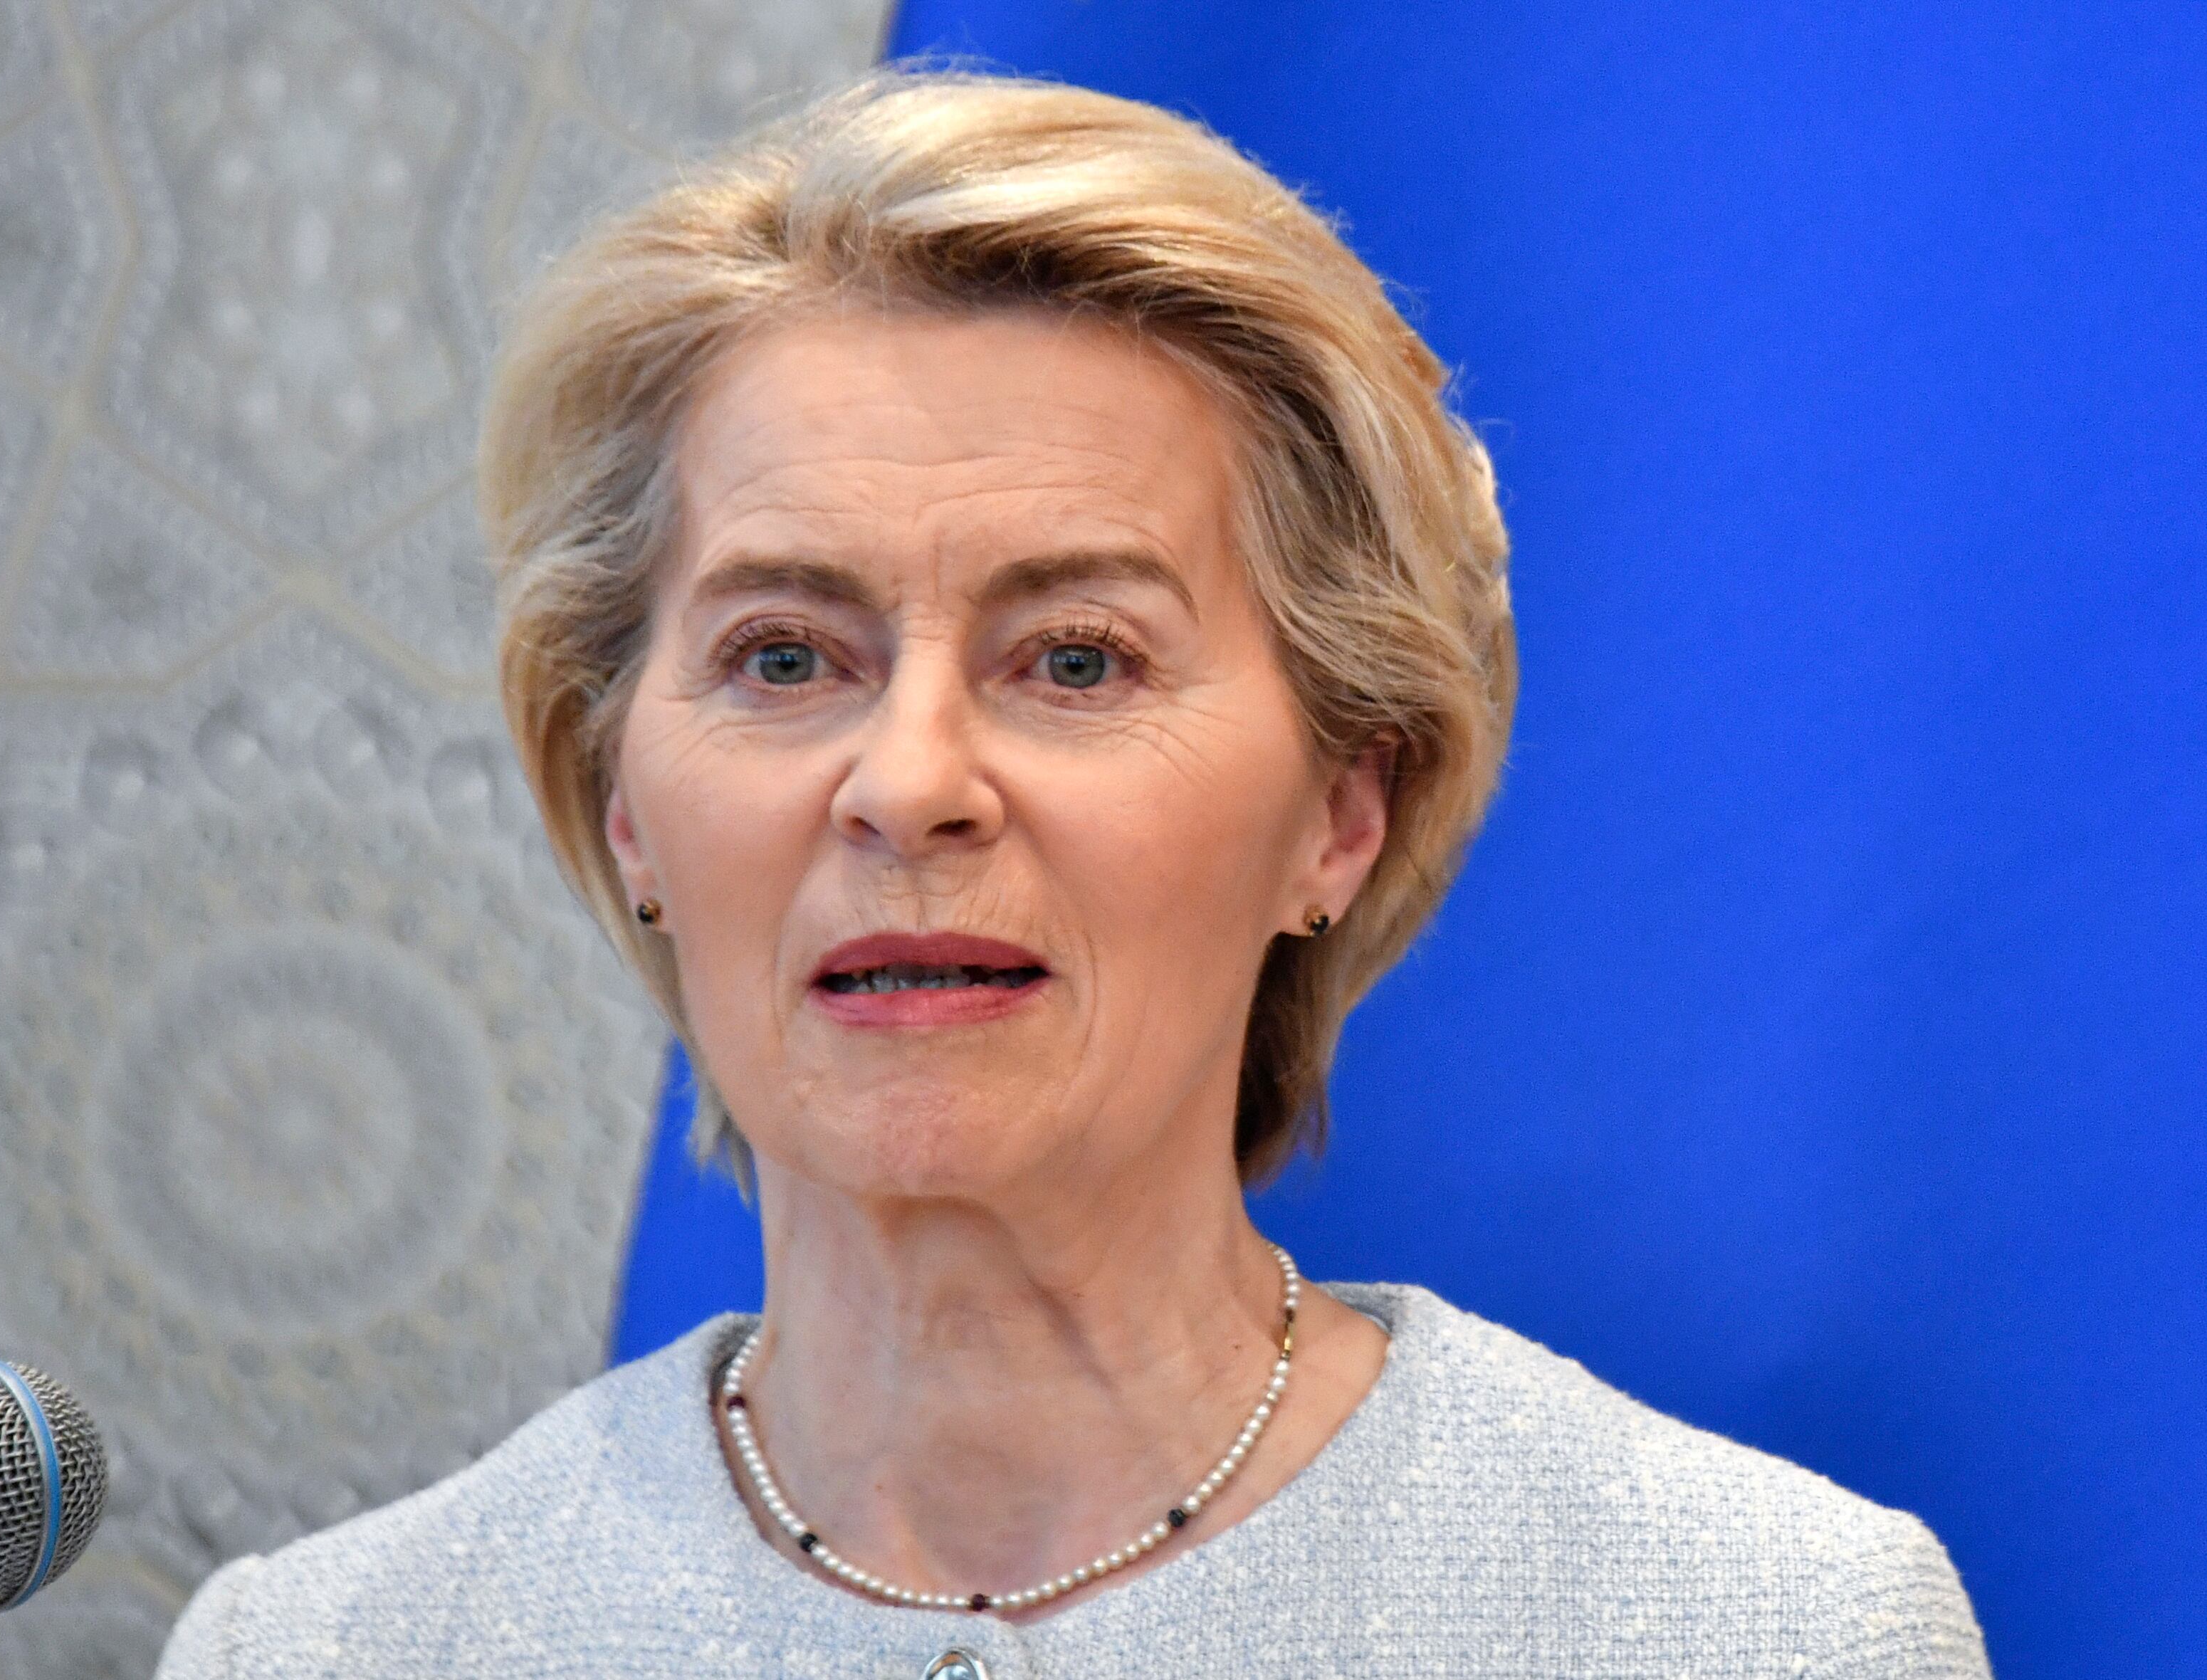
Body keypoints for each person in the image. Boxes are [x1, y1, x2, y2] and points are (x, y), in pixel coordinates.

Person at [156, 69, 1991, 1679]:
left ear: (1340, 815)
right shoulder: (329, 1651)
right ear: (628, 807)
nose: (910, 785)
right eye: (786, 657)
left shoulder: (1764, 1630)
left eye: (1079, 659)